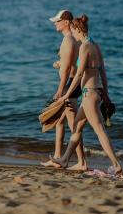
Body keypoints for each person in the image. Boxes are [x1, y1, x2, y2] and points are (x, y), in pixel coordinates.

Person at [51, 14, 122, 175]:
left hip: (89, 95)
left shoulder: (84, 47)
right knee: (76, 128)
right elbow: (103, 72)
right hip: (93, 93)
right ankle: (65, 160)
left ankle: (116, 164)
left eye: (73, 32)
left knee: (99, 130)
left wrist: (65, 95)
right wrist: (106, 95)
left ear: (77, 30)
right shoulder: (95, 45)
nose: (73, 35)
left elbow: (79, 74)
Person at [40, 10, 87, 170]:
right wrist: (59, 63)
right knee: (59, 122)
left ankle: (81, 162)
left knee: (74, 125)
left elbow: (68, 68)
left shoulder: (68, 40)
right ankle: (58, 158)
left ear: (66, 22)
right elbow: (71, 62)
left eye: (57, 21)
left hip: (70, 86)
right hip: (73, 83)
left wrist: (61, 90)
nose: (55, 23)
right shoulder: (73, 39)